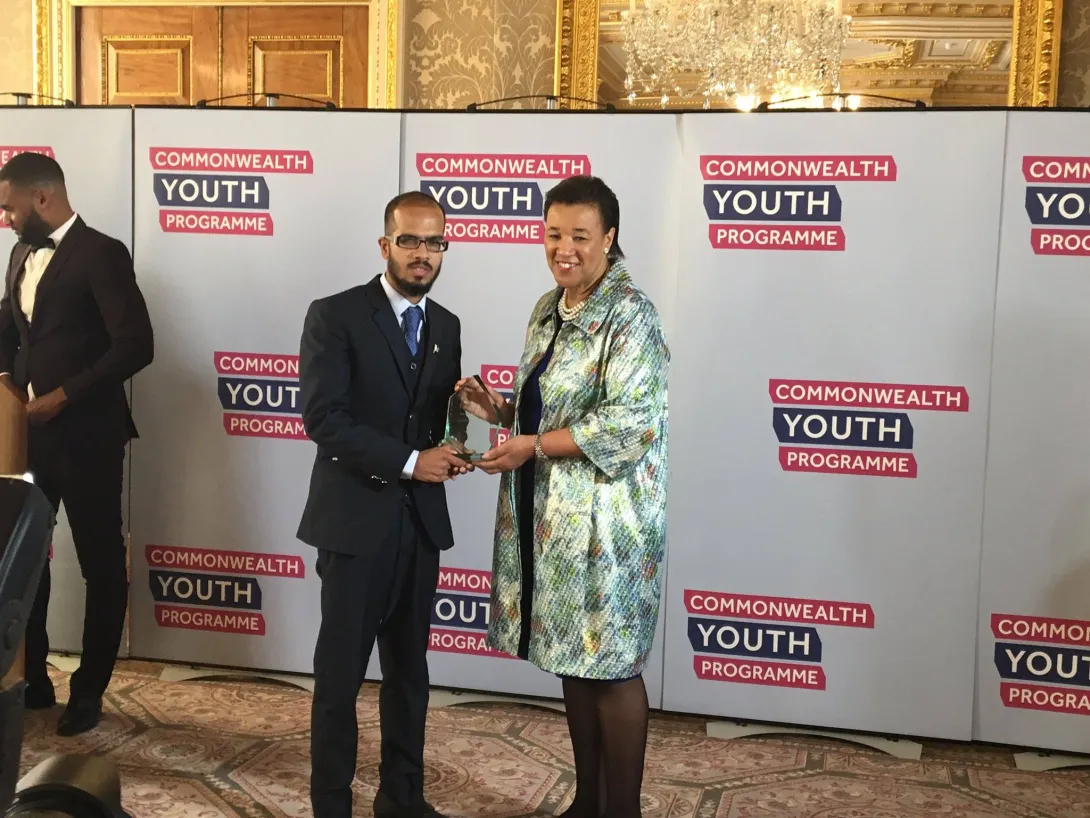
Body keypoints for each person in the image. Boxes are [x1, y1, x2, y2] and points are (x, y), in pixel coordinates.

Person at [457, 175, 669, 818]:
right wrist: (498, 409)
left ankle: (621, 809)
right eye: (554, 234)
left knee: (611, 662)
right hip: (553, 519)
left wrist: (532, 447)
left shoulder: (630, 312)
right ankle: (588, 802)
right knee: (576, 660)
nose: (564, 248)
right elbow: (546, 403)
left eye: (580, 235)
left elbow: (630, 422)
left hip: (610, 520)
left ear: (610, 237)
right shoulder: (548, 306)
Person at [296, 190, 470, 818]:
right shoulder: (335, 315)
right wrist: (409, 462)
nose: (423, 255)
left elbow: (426, 418)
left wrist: (460, 432)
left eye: (435, 243)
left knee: (410, 675)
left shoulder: (446, 324)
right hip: (353, 524)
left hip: (419, 526)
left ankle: (402, 799)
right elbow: (324, 419)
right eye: (410, 241)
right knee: (339, 680)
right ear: (385, 245)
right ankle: (331, 807)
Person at [0, 151, 154, 736]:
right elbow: (13, 328)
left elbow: (136, 344)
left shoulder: (101, 252)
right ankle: (33, 677)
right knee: (26, 565)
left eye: (10, 207)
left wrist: (65, 394)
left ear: (42, 198)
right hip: (26, 440)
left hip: (88, 438)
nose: (7, 218)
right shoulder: (20, 252)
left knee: (98, 566)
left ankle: (88, 691)